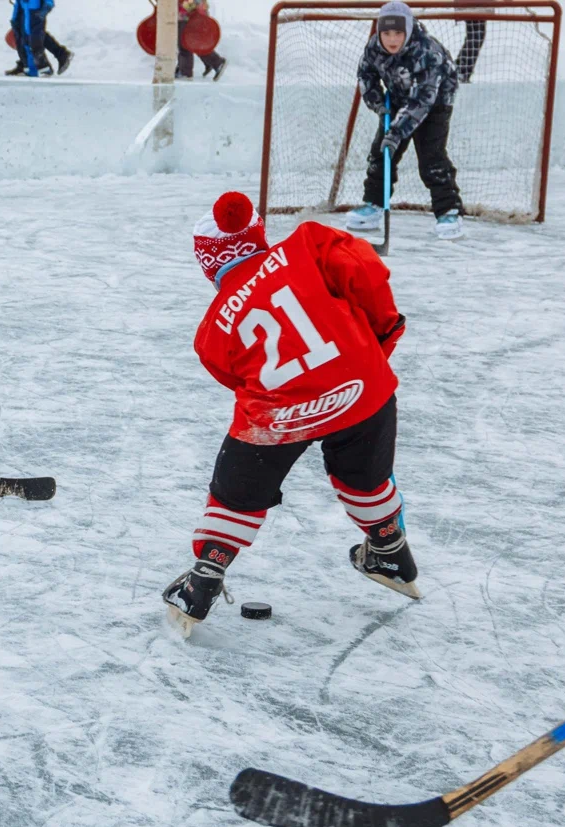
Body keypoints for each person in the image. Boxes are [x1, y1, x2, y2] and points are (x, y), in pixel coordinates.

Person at [164, 191, 420, 638]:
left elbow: (238, 378)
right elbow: (365, 271)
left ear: (208, 265)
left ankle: (204, 576)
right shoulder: (308, 244)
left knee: (236, 493)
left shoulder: (210, 329)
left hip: (276, 414)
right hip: (359, 385)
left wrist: (295, 406)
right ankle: (390, 551)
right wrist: (379, 337)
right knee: (366, 477)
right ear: (258, 235)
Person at [345, 1, 465, 240]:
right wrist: (378, 104)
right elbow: (366, 75)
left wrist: (396, 133)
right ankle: (374, 204)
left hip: (435, 102)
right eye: (386, 33)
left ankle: (449, 210)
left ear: (408, 31)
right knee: (381, 153)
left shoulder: (427, 52)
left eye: (398, 33)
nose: (392, 39)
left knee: (431, 158)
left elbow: (422, 101)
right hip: (398, 97)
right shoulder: (374, 47)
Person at [7, 0, 73, 77]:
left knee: (33, 33)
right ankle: (29, 65)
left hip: (34, 6)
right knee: (23, 32)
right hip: (25, 6)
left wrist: (46, 6)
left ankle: (42, 66)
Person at [176, 0, 226, 82]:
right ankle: (214, 62)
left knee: (185, 44)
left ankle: (185, 72)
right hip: (191, 12)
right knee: (194, 43)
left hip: (188, 13)